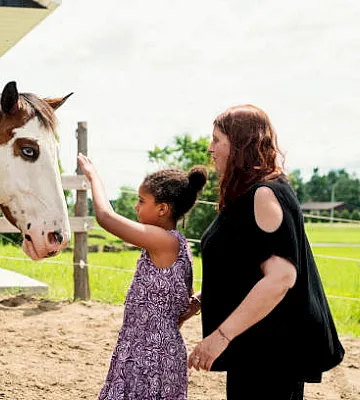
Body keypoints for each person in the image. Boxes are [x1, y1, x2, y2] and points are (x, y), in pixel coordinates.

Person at [186, 104, 345, 400]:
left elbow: (281, 277)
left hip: (273, 350)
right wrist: (200, 302)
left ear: (241, 144)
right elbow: (245, 267)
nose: (210, 148)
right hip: (255, 345)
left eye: (217, 140)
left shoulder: (264, 194)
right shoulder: (248, 194)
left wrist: (220, 337)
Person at [78, 153, 207, 400]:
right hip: (143, 348)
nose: (136, 206)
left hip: (151, 356)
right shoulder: (172, 243)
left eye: (141, 200)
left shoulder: (164, 241)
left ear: (162, 209)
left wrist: (93, 176)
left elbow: (106, 218)